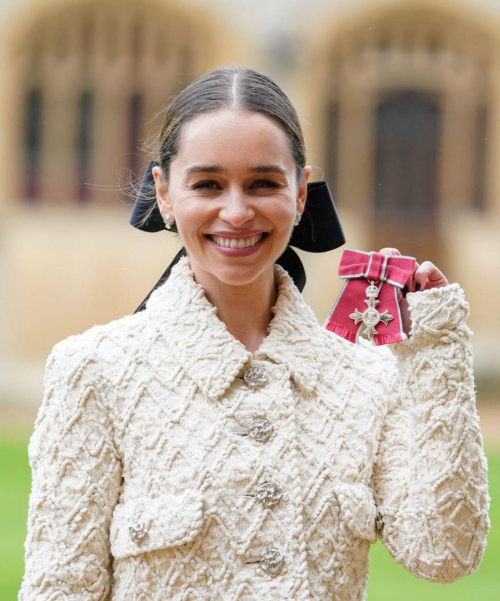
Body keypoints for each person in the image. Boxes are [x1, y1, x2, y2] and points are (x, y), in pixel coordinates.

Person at [18, 65, 490, 601]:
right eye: (208, 184)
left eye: (263, 183)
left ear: (301, 193)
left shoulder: (368, 376)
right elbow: (60, 589)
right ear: (164, 193)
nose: (237, 211)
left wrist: (435, 348)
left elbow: (445, 555)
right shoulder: (92, 369)